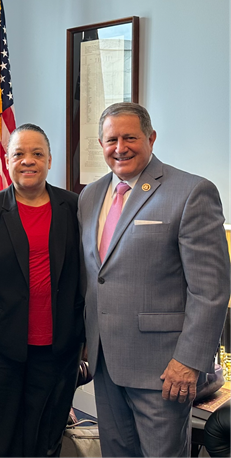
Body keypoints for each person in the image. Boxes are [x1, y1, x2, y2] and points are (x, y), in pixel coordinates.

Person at [78, 102, 231, 458]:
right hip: (105, 363)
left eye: (130, 137)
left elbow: (209, 290)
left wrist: (190, 362)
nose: (120, 147)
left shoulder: (191, 192)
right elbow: (94, 276)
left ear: (151, 138)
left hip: (163, 370)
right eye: (111, 139)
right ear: (100, 144)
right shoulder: (89, 196)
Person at [0, 123, 84, 458]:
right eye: (19, 154)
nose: (28, 161)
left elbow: (84, 277)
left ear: (50, 160)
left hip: (56, 351)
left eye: (37, 153)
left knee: (42, 440)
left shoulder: (73, 207)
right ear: (7, 160)